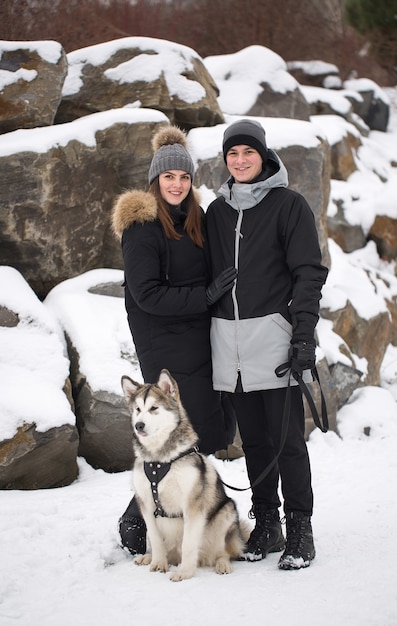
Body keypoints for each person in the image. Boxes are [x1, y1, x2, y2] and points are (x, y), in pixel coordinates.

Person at [205, 119, 328, 570]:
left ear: (264, 156)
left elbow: (308, 274)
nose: (239, 161)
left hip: (273, 343)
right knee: (254, 441)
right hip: (228, 346)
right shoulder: (216, 213)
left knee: (287, 441)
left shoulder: (289, 206)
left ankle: (300, 526)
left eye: (248, 153)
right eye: (232, 154)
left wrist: (302, 336)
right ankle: (269, 523)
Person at [111, 125, 237, 555]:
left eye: (184, 177)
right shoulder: (142, 227)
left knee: (200, 432)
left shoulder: (192, 218)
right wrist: (204, 296)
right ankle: (137, 523)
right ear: (155, 181)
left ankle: (183, 518)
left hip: (198, 337)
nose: (177, 184)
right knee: (182, 436)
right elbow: (146, 295)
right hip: (165, 343)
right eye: (169, 178)